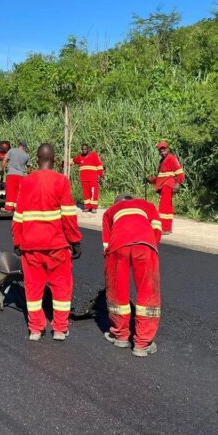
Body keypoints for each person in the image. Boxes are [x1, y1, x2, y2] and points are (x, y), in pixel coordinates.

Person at [12, 143, 82, 341]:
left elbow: (18, 215)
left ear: (36, 159)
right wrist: (75, 241)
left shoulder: (26, 182)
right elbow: (68, 215)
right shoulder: (61, 181)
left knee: (33, 287)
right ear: (55, 160)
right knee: (61, 286)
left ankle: (35, 329)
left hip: (31, 246)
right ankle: (59, 329)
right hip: (57, 246)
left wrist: (17, 241)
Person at [102, 194, 163, 357]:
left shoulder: (110, 211)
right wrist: (150, 247)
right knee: (148, 291)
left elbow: (106, 245)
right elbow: (157, 229)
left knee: (117, 291)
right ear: (132, 199)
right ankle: (142, 344)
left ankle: (120, 336)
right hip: (145, 245)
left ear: (117, 203)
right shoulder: (147, 205)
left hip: (117, 248)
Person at [148, 141, 184, 234]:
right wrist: (150, 180)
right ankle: (166, 227)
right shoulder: (162, 161)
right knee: (166, 206)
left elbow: (180, 173)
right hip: (164, 186)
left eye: (164, 148)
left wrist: (178, 183)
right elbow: (161, 177)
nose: (162, 150)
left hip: (168, 185)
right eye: (160, 149)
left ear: (168, 149)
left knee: (165, 207)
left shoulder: (172, 158)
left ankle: (165, 228)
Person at [72, 144, 105, 213]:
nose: (84, 151)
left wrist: (101, 175)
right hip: (84, 179)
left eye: (85, 149)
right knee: (86, 193)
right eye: (83, 149)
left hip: (93, 178)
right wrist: (66, 162)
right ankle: (87, 207)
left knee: (93, 193)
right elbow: (74, 160)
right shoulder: (80, 157)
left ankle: (94, 207)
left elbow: (99, 165)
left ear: (88, 149)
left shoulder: (94, 155)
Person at [1, 140, 30, 212]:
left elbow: (4, 160)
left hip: (11, 174)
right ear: (24, 147)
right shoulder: (26, 155)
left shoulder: (11, 151)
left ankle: (8, 208)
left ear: (19, 145)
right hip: (20, 176)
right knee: (18, 192)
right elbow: (29, 168)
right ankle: (17, 208)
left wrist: (2, 169)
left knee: (10, 191)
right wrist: (27, 174)